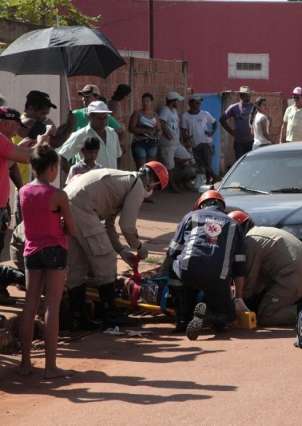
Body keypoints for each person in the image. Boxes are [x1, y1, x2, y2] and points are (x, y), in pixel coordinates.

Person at [64, 161, 168, 329]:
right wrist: (139, 248)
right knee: (105, 260)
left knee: (77, 265)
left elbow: (109, 225)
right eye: (155, 188)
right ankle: (109, 314)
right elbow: (127, 225)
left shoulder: (123, 182)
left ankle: (78, 317)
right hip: (83, 208)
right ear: (153, 182)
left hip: (70, 202)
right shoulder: (137, 185)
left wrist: (121, 250)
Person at [19, 144, 77, 378]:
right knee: (52, 305)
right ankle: (50, 366)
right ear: (52, 168)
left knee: (30, 305)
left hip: (31, 250)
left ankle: (25, 363)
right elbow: (71, 227)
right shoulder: (58, 195)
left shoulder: (22, 191)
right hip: (55, 249)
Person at [162, 190, 246, 338]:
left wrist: (165, 275)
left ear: (201, 204)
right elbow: (239, 266)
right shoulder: (233, 224)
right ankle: (211, 318)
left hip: (188, 270)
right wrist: (238, 297)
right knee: (227, 316)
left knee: (176, 267)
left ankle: (182, 317)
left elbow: (173, 250)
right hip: (218, 277)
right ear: (222, 207)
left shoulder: (190, 216)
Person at [228, 210, 302, 326]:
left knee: (266, 315)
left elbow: (249, 286)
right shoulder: (262, 231)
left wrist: (234, 301)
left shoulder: (249, 242)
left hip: (295, 276)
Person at [0, 107, 42, 305]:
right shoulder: (1, 139)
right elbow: (27, 157)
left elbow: (10, 163)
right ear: (7, 123)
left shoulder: (5, 142)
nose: (18, 129)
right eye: (16, 125)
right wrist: (43, 142)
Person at [58, 101, 122, 171]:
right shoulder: (81, 135)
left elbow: (118, 156)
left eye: (105, 117)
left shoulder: (112, 133)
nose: (103, 121)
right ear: (89, 117)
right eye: (100, 118)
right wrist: (74, 177)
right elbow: (63, 156)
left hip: (111, 180)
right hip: (90, 181)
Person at [181, 95, 216, 184]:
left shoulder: (205, 114)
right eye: (196, 102)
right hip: (194, 143)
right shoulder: (185, 116)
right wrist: (186, 139)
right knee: (200, 164)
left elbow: (214, 122)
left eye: (199, 102)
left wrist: (212, 132)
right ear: (190, 103)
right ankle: (212, 179)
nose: (199, 104)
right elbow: (184, 130)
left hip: (206, 142)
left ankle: (212, 180)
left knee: (207, 163)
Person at [220, 86, 254, 160]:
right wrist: (231, 131)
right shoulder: (234, 108)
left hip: (251, 141)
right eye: (246, 95)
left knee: (251, 162)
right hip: (239, 142)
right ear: (241, 95)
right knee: (240, 161)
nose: (248, 97)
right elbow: (222, 119)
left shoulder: (253, 107)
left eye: (249, 95)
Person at [129, 93, 161, 169]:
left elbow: (159, 129)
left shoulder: (155, 115)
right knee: (141, 167)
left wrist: (158, 133)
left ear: (151, 102)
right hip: (140, 142)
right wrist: (145, 131)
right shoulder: (137, 113)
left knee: (150, 167)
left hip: (152, 143)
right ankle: (141, 180)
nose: (145, 103)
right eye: (143, 101)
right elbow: (131, 128)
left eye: (147, 101)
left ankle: (148, 180)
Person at [158, 91, 184, 175]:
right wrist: (168, 135)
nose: (178, 103)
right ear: (173, 101)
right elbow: (162, 122)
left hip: (176, 143)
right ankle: (170, 186)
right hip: (168, 144)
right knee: (169, 167)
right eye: (177, 101)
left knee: (187, 158)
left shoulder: (174, 111)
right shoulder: (165, 110)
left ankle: (178, 182)